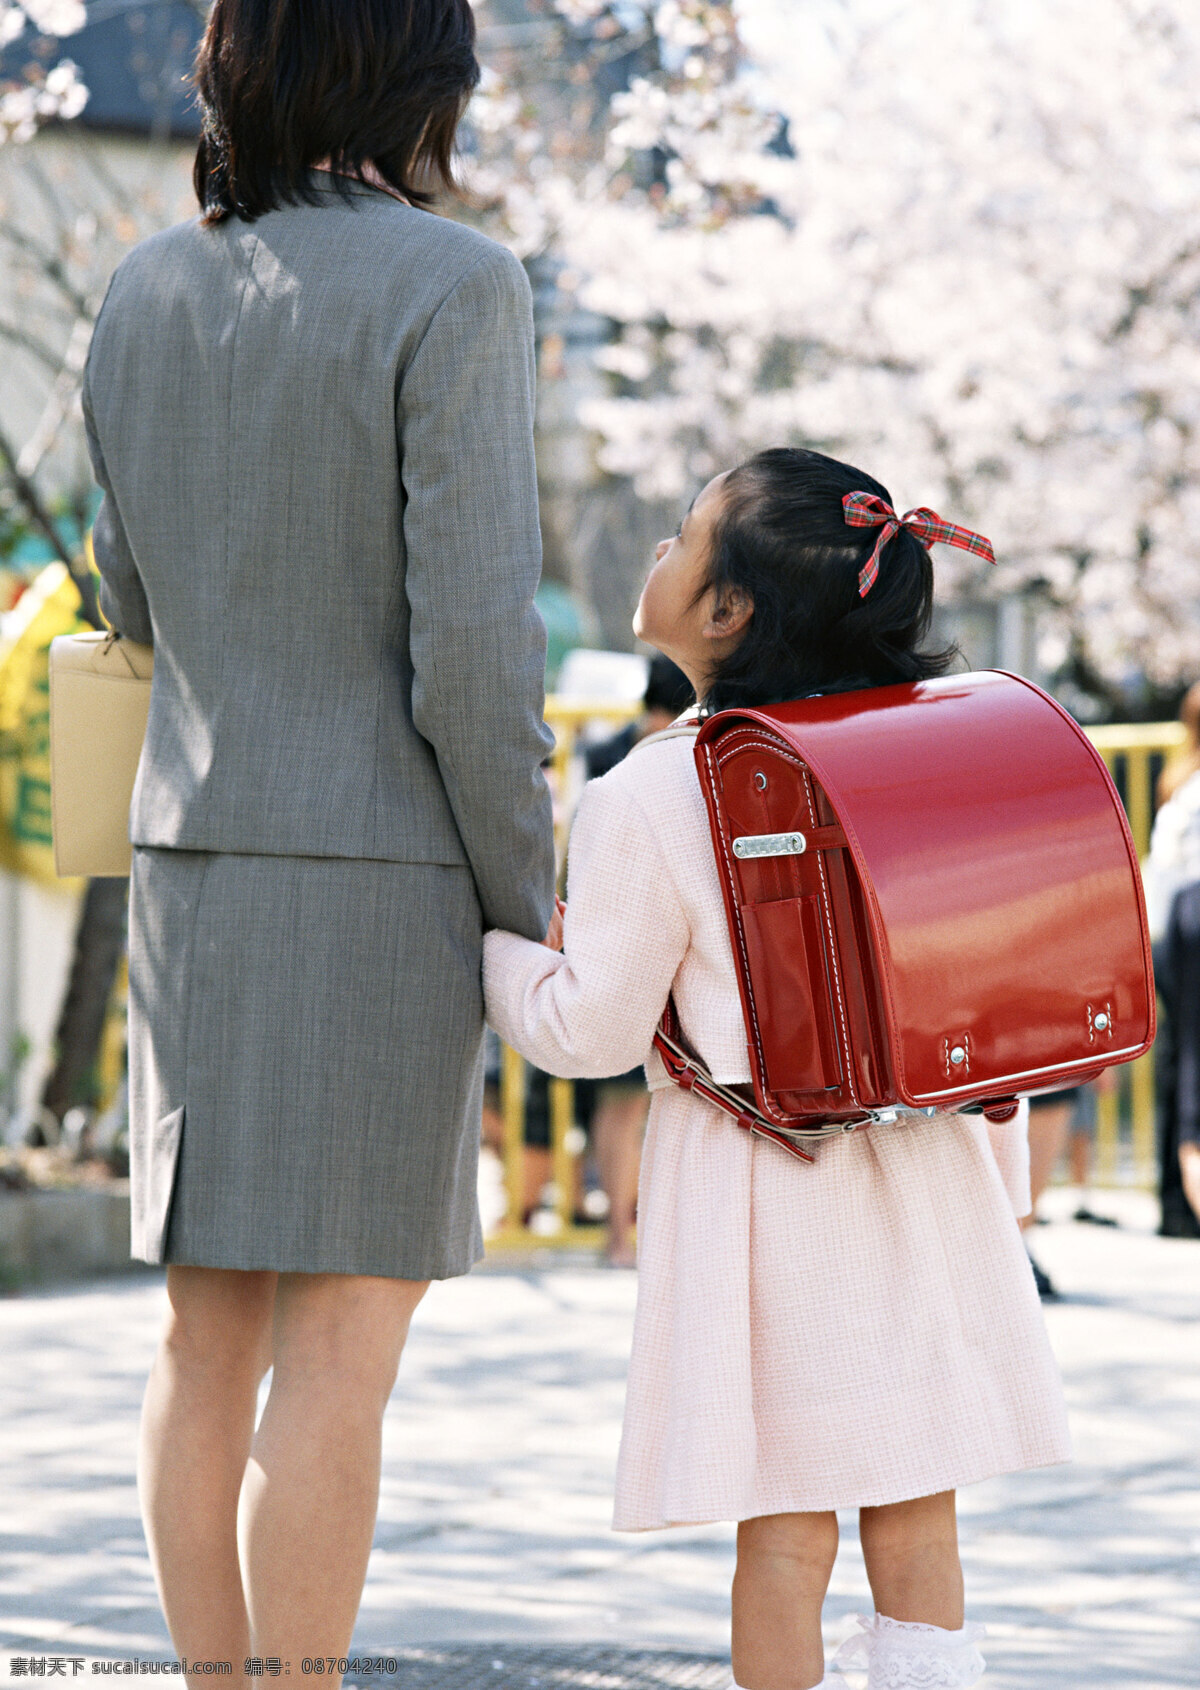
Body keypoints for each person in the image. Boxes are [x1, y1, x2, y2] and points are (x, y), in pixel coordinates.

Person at [83, 0, 556, 1676]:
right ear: (420, 76)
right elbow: (480, 663)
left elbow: (120, 607)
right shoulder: (458, 284)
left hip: (186, 872)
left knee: (200, 1344)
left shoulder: (143, 287)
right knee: (338, 1358)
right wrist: (539, 906)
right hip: (379, 890)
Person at [484, 449, 1071, 1690]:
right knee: (918, 1516)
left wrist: (492, 956)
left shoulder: (651, 791)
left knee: (787, 1531)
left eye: (681, 536)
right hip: (932, 1184)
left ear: (729, 610)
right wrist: (1003, 1189)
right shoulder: (934, 760)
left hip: (769, 1207)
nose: (658, 549)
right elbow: (979, 995)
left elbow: (591, 1029)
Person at [579, 654, 694, 1265]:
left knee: (631, 1103)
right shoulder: (685, 752)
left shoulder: (607, 758)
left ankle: (628, 1235)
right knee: (631, 1101)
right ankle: (623, 1234)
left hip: (632, 941)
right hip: (640, 943)